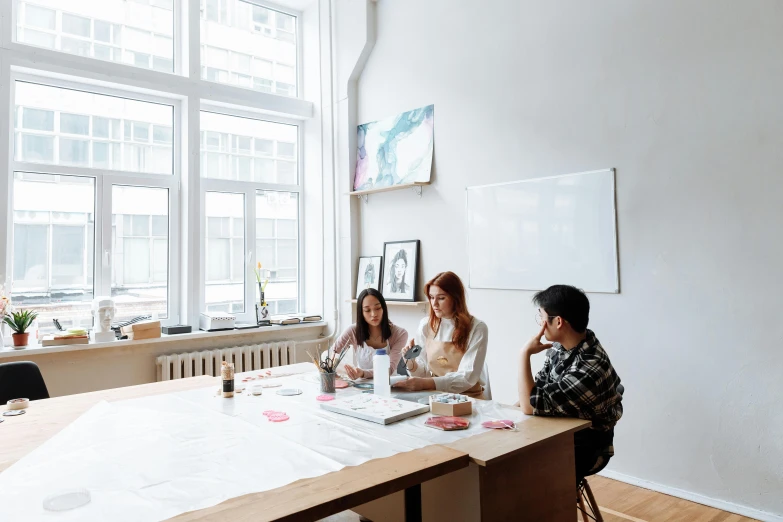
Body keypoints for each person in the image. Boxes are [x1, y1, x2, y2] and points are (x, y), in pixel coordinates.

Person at [518, 285, 623, 483]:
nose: (540, 323)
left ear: (558, 322)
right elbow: (538, 390)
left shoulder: (589, 367)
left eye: (541, 317)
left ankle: (548, 511)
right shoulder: (563, 346)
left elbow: (530, 405)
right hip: (560, 431)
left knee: (514, 467)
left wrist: (524, 354)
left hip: (585, 447)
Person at [392, 271, 490, 398]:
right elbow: (423, 375)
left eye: (441, 298)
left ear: (456, 298)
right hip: (436, 396)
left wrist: (426, 384)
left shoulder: (477, 328)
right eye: (432, 297)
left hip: (469, 399)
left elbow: (467, 378)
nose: (434, 304)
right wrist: (409, 361)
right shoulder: (425, 325)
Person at [333, 288, 407, 380]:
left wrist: (363, 373)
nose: (373, 314)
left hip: (389, 385)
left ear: (383, 308)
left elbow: (390, 369)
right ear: (361, 312)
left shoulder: (400, 334)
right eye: (367, 310)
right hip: (362, 387)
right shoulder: (353, 331)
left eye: (378, 308)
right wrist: (335, 373)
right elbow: (331, 355)